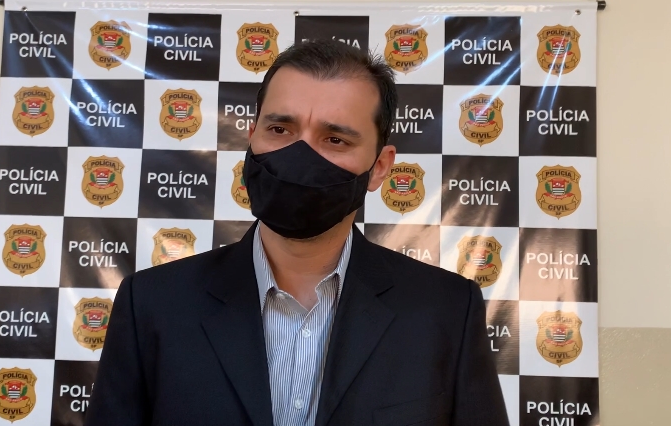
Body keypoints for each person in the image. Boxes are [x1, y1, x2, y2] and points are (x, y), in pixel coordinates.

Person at [84, 39, 509, 426]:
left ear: (380, 167)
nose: (300, 155)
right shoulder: (153, 304)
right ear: (251, 137)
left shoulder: (446, 311)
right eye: (279, 130)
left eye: (335, 139)